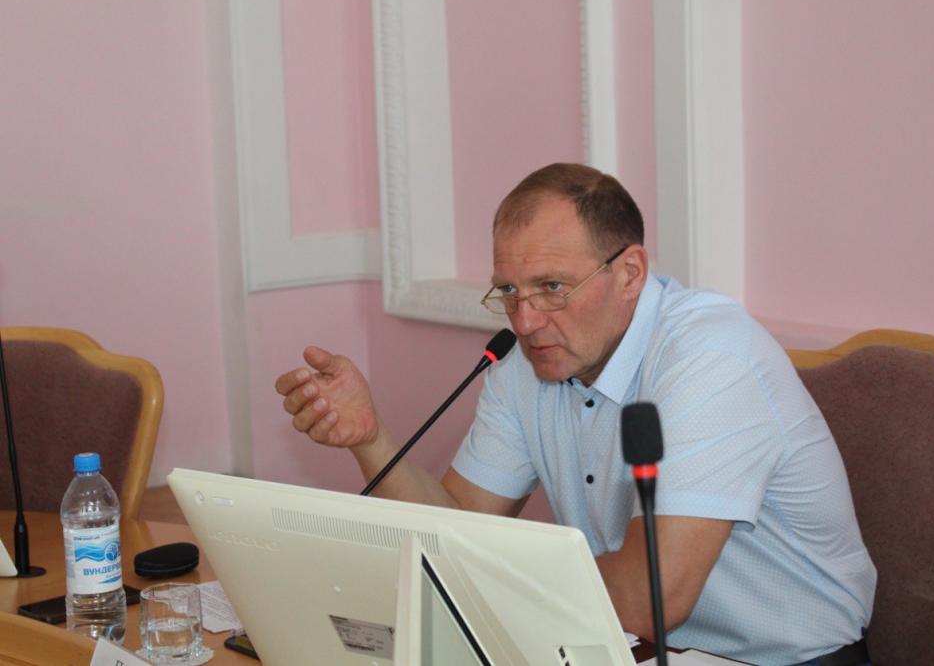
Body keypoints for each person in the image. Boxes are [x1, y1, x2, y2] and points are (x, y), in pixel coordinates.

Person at [276, 163, 876, 665]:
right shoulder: (528, 363)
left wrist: (476, 576)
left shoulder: (709, 359)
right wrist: (372, 440)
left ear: (630, 273)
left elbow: (650, 598)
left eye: (552, 287)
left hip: (784, 659)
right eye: (509, 291)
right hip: (620, 648)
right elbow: (455, 527)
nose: (525, 320)